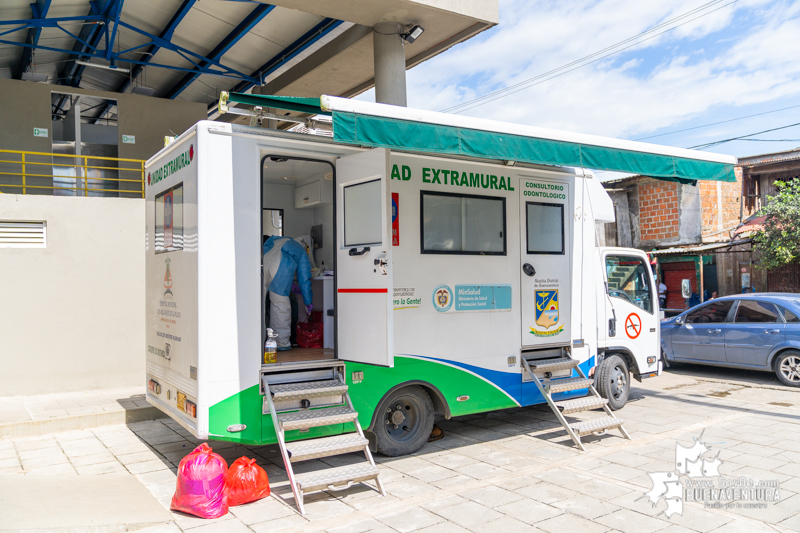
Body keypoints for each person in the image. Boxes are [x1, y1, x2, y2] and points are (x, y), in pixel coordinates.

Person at [263, 236, 313, 350]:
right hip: (280, 268)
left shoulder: (276, 240)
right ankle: (281, 343)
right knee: (280, 305)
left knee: (259, 304)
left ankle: (259, 339)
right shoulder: (301, 251)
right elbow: (304, 280)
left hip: (264, 262)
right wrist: (308, 301)